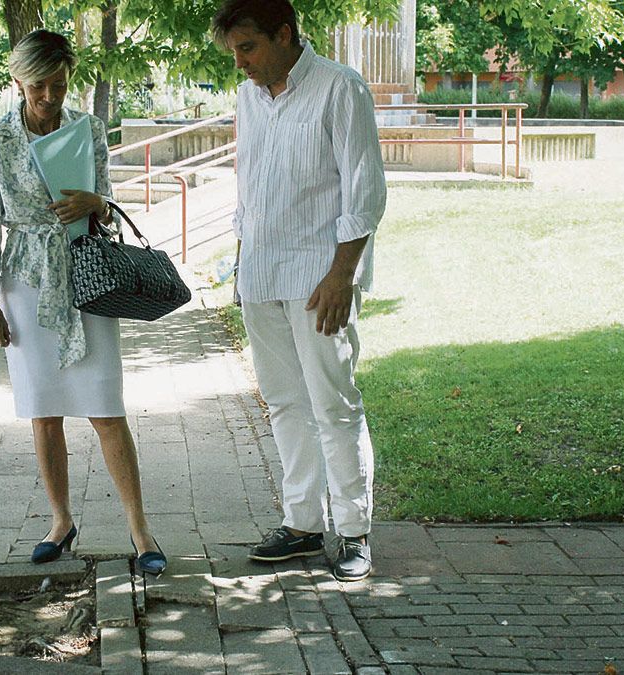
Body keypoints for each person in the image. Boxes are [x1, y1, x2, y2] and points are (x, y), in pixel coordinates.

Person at [0, 29, 165, 576]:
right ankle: (60, 521)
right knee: (44, 411)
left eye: (59, 85)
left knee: (107, 408)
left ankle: (140, 529)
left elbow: (108, 205)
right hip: (26, 280)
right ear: (18, 79)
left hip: (85, 274)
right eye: (40, 86)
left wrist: (97, 202)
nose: (50, 96)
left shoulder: (88, 129)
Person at [213, 0, 387, 582]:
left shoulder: (342, 89)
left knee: (332, 403)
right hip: (261, 273)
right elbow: (248, 186)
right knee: (286, 404)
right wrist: (241, 267)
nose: (240, 63)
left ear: (284, 34)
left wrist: (342, 275)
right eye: (234, 51)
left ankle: (355, 532)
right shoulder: (248, 97)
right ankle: (302, 524)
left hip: (320, 280)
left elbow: (364, 193)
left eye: (248, 47)